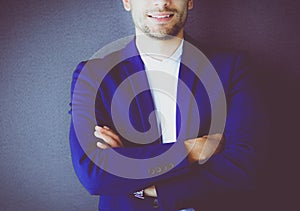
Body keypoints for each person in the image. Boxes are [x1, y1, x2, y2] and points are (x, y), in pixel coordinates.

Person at [69, 0, 266, 210]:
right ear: (127, 1)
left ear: (189, 1)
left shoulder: (232, 68)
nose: (161, 2)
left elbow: (245, 168)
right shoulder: (93, 75)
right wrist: (192, 150)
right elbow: (94, 174)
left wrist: (141, 184)